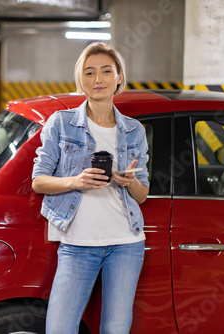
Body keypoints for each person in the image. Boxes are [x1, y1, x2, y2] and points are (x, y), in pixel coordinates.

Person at [32, 42, 150, 334]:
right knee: (60, 328)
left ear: (119, 77)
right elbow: (38, 181)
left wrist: (130, 181)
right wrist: (77, 181)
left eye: (106, 71)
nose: (98, 79)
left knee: (116, 329)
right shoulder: (61, 123)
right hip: (77, 244)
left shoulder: (134, 130)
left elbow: (143, 194)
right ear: (81, 80)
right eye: (89, 72)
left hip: (126, 242)